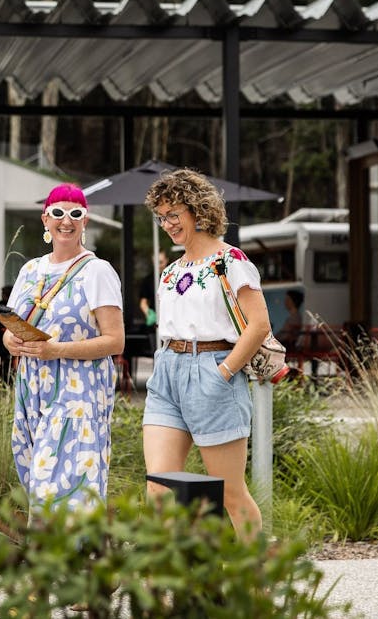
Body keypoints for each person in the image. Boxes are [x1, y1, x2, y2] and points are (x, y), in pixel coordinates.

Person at [143, 168, 270, 541]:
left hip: (214, 370)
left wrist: (224, 372)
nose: (167, 224)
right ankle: (162, 585)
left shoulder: (231, 261)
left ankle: (254, 579)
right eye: (161, 217)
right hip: (167, 373)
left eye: (173, 214)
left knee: (230, 493)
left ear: (197, 210)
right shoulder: (170, 272)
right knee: (159, 489)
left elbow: (259, 325)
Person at [4, 184, 124, 509]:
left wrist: (58, 350)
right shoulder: (31, 270)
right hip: (32, 389)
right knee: (36, 477)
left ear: (86, 221)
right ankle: (72, 553)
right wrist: (11, 340)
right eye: (58, 213)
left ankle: (57, 553)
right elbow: (11, 325)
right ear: (45, 219)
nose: (66, 221)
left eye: (75, 213)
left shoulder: (98, 271)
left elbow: (115, 340)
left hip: (80, 393)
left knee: (61, 480)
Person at [138, 249, 168, 330]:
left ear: (166, 260)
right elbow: (143, 303)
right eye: (156, 262)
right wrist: (150, 314)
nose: (159, 265)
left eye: (161, 262)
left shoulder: (173, 277)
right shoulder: (148, 280)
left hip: (170, 322)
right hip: (154, 325)